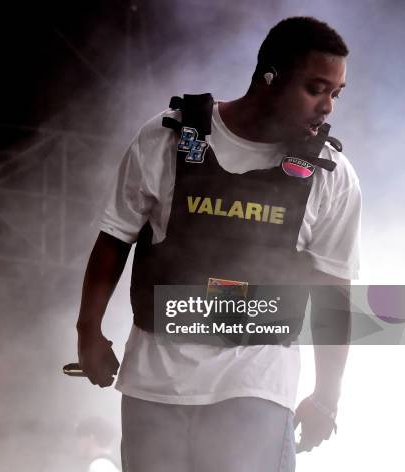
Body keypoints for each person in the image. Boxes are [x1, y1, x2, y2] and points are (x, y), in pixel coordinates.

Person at [75, 16, 360, 472]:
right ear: (270, 78)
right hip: (155, 384)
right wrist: (88, 332)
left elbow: (334, 297)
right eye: (316, 88)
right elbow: (114, 238)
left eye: (335, 94)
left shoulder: (331, 175)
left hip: (257, 387)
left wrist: (326, 399)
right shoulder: (166, 137)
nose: (327, 106)